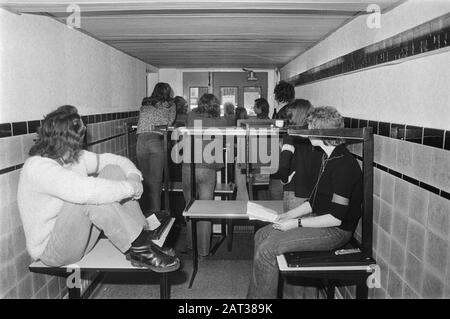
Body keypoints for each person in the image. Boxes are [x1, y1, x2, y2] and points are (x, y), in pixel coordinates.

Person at [17, 105, 179, 272]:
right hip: (53, 251)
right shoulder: (37, 167)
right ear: (61, 142)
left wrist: (134, 177)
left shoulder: (68, 156)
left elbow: (117, 161)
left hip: (81, 239)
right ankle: (140, 247)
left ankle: (143, 239)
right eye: (75, 142)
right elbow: (87, 193)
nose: (78, 147)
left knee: (112, 171)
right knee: (89, 197)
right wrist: (130, 189)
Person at [247, 106, 363, 299]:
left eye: (310, 127)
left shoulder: (344, 165)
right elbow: (312, 202)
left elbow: (335, 218)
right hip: (321, 222)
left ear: (321, 131)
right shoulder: (327, 158)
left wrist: (296, 223)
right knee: (261, 235)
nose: (307, 132)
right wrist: (286, 216)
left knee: (267, 250)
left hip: (336, 232)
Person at [182, 93, 231, 257]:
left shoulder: (190, 116)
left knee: (189, 207)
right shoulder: (221, 121)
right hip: (207, 168)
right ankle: (203, 251)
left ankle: (191, 246)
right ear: (216, 106)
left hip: (188, 166)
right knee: (204, 209)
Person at [136, 83, 176, 213]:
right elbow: (169, 124)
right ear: (168, 92)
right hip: (156, 140)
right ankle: (156, 218)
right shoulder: (170, 105)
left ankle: (144, 216)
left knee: (145, 182)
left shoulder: (145, 103)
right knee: (156, 183)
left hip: (140, 141)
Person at [277, 99, 314, 211]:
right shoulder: (313, 134)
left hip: (294, 190)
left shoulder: (291, 135)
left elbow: (284, 164)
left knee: (291, 226)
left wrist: (284, 179)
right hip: (312, 191)